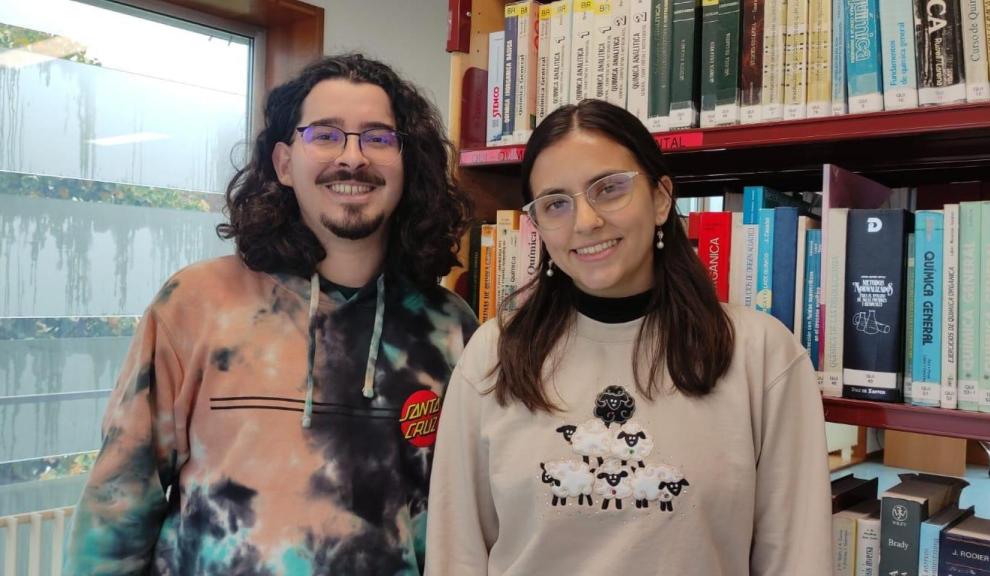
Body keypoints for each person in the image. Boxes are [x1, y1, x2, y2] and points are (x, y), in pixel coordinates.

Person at [64, 53, 478, 575]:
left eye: (378, 138)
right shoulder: (197, 302)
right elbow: (117, 506)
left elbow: (461, 522)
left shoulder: (449, 329)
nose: (352, 158)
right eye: (325, 135)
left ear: (407, 163)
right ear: (284, 164)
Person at [424, 99, 831, 576]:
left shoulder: (762, 355)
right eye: (556, 203)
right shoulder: (493, 355)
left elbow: (797, 557)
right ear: (537, 226)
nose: (585, 221)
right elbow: (457, 554)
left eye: (609, 188)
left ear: (660, 198)